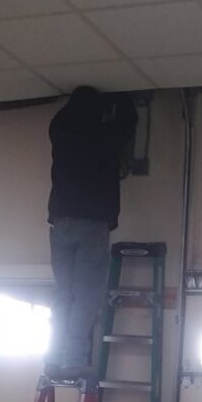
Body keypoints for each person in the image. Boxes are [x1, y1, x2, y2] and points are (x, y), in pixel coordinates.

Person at [46, 86, 137, 378]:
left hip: (61, 222)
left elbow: (61, 119)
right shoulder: (104, 136)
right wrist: (120, 97)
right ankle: (72, 359)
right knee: (86, 296)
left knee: (64, 294)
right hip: (92, 223)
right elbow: (128, 120)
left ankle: (53, 355)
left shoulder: (60, 131)